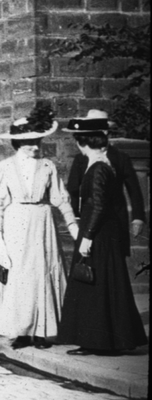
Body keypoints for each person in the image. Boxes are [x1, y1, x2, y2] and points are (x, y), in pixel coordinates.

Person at [58, 113, 148, 356]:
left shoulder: (99, 168)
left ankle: (100, 342)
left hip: (98, 232)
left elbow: (98, 205)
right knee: (101, 284)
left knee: (95, 284)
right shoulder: (98, 163)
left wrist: (86, 236)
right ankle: (100, 341)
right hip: (99, 229)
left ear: (83, 142)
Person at [0, 114, 78, 348]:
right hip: (16, 223)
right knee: (19, 275)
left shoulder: (47, 166)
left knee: (42, 273)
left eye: (37, 141)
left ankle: (42, 332)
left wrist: (72, 225)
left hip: (42, 223)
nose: (35, 146)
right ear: (17, 142)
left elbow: (60, 197)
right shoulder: (6, 167)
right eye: (29, 141)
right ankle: (21, 331)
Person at [65, 109, 146, 237]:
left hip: (115, 217)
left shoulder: (121, 157)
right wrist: (76, 216)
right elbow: (73, 188)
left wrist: (138, 218)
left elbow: (134, 188)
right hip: (90, 217)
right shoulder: (80, 158)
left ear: (106, 131)